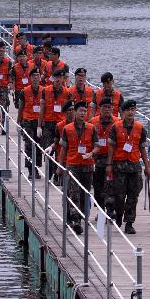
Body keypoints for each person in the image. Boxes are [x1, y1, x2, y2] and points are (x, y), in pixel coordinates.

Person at [106, 99, 147, 234]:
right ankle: (118, 215)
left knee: (133, 195)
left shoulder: (140, 128)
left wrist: (147, 166)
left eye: (133, 110)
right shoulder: (115, 127)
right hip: (119, 165)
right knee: (119, 195)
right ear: (122, 112)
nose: (131, 112)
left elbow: (142, 148)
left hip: (134, 165)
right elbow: (111, 147)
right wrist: (109, 164)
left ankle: (129, 222)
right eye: (128, 110)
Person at [58, 101, 96, 235]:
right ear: (75, 113)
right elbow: (63, 148)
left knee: (85, 193)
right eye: (80, 111)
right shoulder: (67, 129)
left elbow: (97, 146)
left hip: (87, 165)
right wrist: (60, 166)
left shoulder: (92, 128)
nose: (82, 113)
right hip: (72, 165)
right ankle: (76, 221)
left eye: (85, 111)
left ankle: (82, 217)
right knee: (74, 193)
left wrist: (91, 153)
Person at [40, 69, 72, 179]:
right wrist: (39, 126)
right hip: (48, 125)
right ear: (53, 79)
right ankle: (48, 174)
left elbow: (70, 110)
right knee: (49, 150)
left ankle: (58, 175)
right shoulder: (45, 91)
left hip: (61, 126)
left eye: (61, 78)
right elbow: (42, 109)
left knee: (60, 150)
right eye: (56, 78)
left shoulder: (67, 93)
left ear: (63, 79)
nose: (58, 80)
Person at [17, 67, 44, 179]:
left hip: (39, 122)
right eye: (33, 76)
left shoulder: (44, 91)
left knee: (38, 146)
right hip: (27, 120)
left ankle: (36, 168)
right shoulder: (25, 91)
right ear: (30, 78)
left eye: (37, 76)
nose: (36, 78)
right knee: (29, 145)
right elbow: (21, 107)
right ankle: (30, 170)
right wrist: (18, 122)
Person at [90, 97, 115, 211]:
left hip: (111, 160)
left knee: (110, 184)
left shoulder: (117, 122)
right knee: (97, 185)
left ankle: (109, 209)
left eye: (109, 107)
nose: (107, 109)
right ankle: (100, 209)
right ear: (100, 108)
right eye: (105, 107)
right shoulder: (93, 122)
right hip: (97, 159)